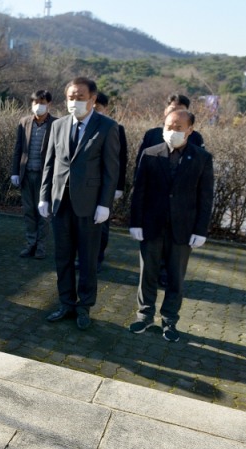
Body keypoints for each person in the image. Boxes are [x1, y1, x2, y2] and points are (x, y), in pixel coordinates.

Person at [39, 77, 120, 330]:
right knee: (62, 257)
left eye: (80, 97)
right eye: (71, 97)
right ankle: (65, 302)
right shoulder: (59, 125)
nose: (75, 102)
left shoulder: (107, 127)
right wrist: (44, 196)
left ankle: (84, 306)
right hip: (60, 202)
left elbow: (111, 169)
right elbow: (49, 163)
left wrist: (105, 204)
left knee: (87, 259)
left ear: (93, 99)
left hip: (89, 206)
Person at [128, 110, 213, 342]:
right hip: (152, 225)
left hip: (183, 229)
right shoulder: (151, 153)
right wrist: (135, 222)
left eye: (178, 127)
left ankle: (170, 320)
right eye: (168, 126)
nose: (172, 131)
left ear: (190, 130)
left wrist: (200, 230)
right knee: (148, 273)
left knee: (176, 277)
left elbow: (205, 197)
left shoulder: (202, 158)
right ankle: (144, 316)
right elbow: (139, 192)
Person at [11, 90, 56, 259]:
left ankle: (41, 247)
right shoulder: (24, 122)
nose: (38, 106)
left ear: (49, 104)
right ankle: (30, 243)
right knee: (29, 211)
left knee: (43, 213)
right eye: (35, 103)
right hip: (26, 174)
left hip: (45, 177)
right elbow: (18, 149)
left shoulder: (56, 124)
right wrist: (15, 172)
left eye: (42, 103)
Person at [93, 92, 128, 271]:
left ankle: (98, 257)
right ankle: (81, 256)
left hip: (106, 185)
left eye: (98, 107)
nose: (94, 109)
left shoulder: (115, 127)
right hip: (84, 185)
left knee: (102, 224)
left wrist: (119, 186)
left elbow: (121, 159)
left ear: (105, 108)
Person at [136, 94, 205, 169]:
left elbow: (201, 165)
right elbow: (140, 165)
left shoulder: (195, 137)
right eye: (172, 110)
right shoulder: (152, 135)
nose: (176, 115)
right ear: (165, 111)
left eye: (181, 112)